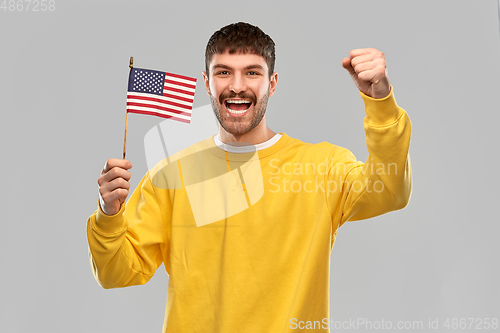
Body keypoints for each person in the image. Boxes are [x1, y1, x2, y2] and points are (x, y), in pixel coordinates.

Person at [87, 22, 412, 332]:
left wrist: (380, 102)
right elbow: (116, 272)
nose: (237, 85)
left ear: (272, 83)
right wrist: (109, 214)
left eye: (252, 72)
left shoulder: (321, 166)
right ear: (206, 82)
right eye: (223, 72)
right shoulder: (172, 174)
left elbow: (389, 191)